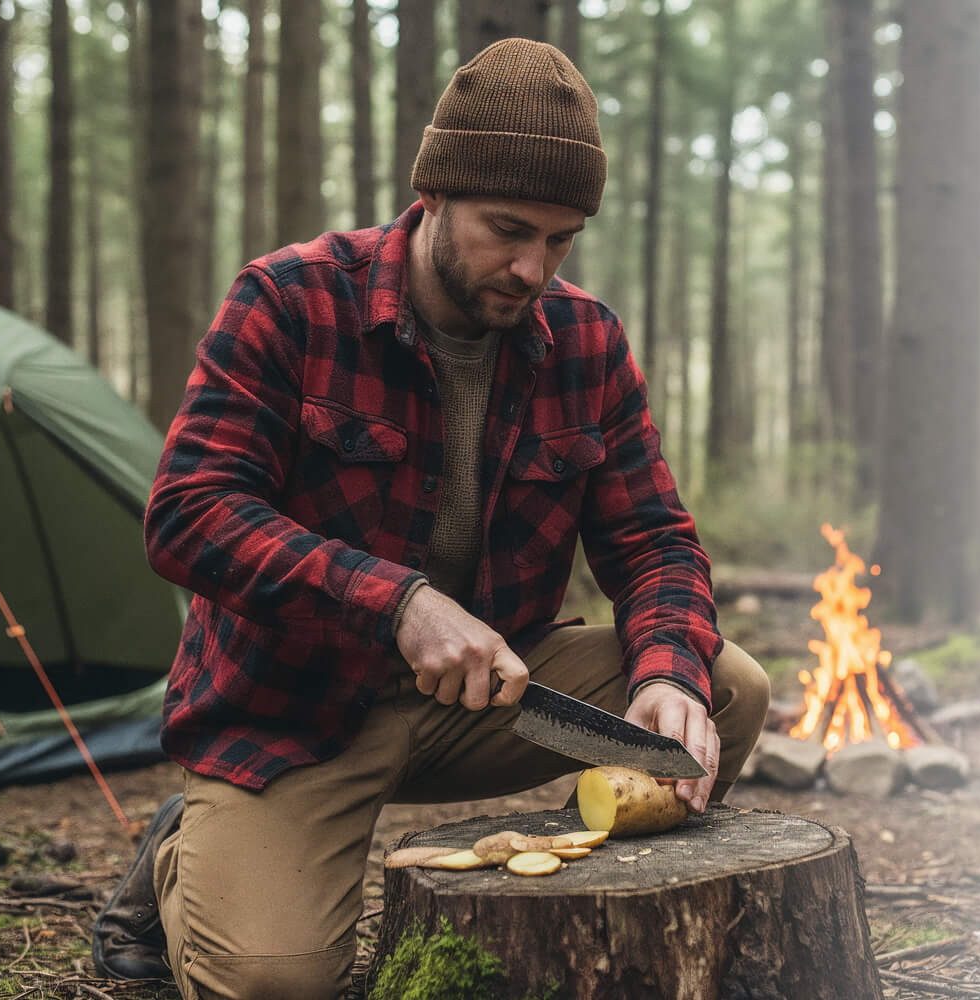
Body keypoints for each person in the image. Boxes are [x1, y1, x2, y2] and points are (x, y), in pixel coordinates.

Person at [90, 38, 769, 999]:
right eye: (508, 229)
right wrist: (400, 605)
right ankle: (188, 858)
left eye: (562, 238)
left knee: (722, 691)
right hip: (294, 713)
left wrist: (665, 671)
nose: (533, 267)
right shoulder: (289, 301)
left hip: (490, 699)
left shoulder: (586, 341)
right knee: (277, 984)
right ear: (436, 196)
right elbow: (190, 515)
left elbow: (654, 539)